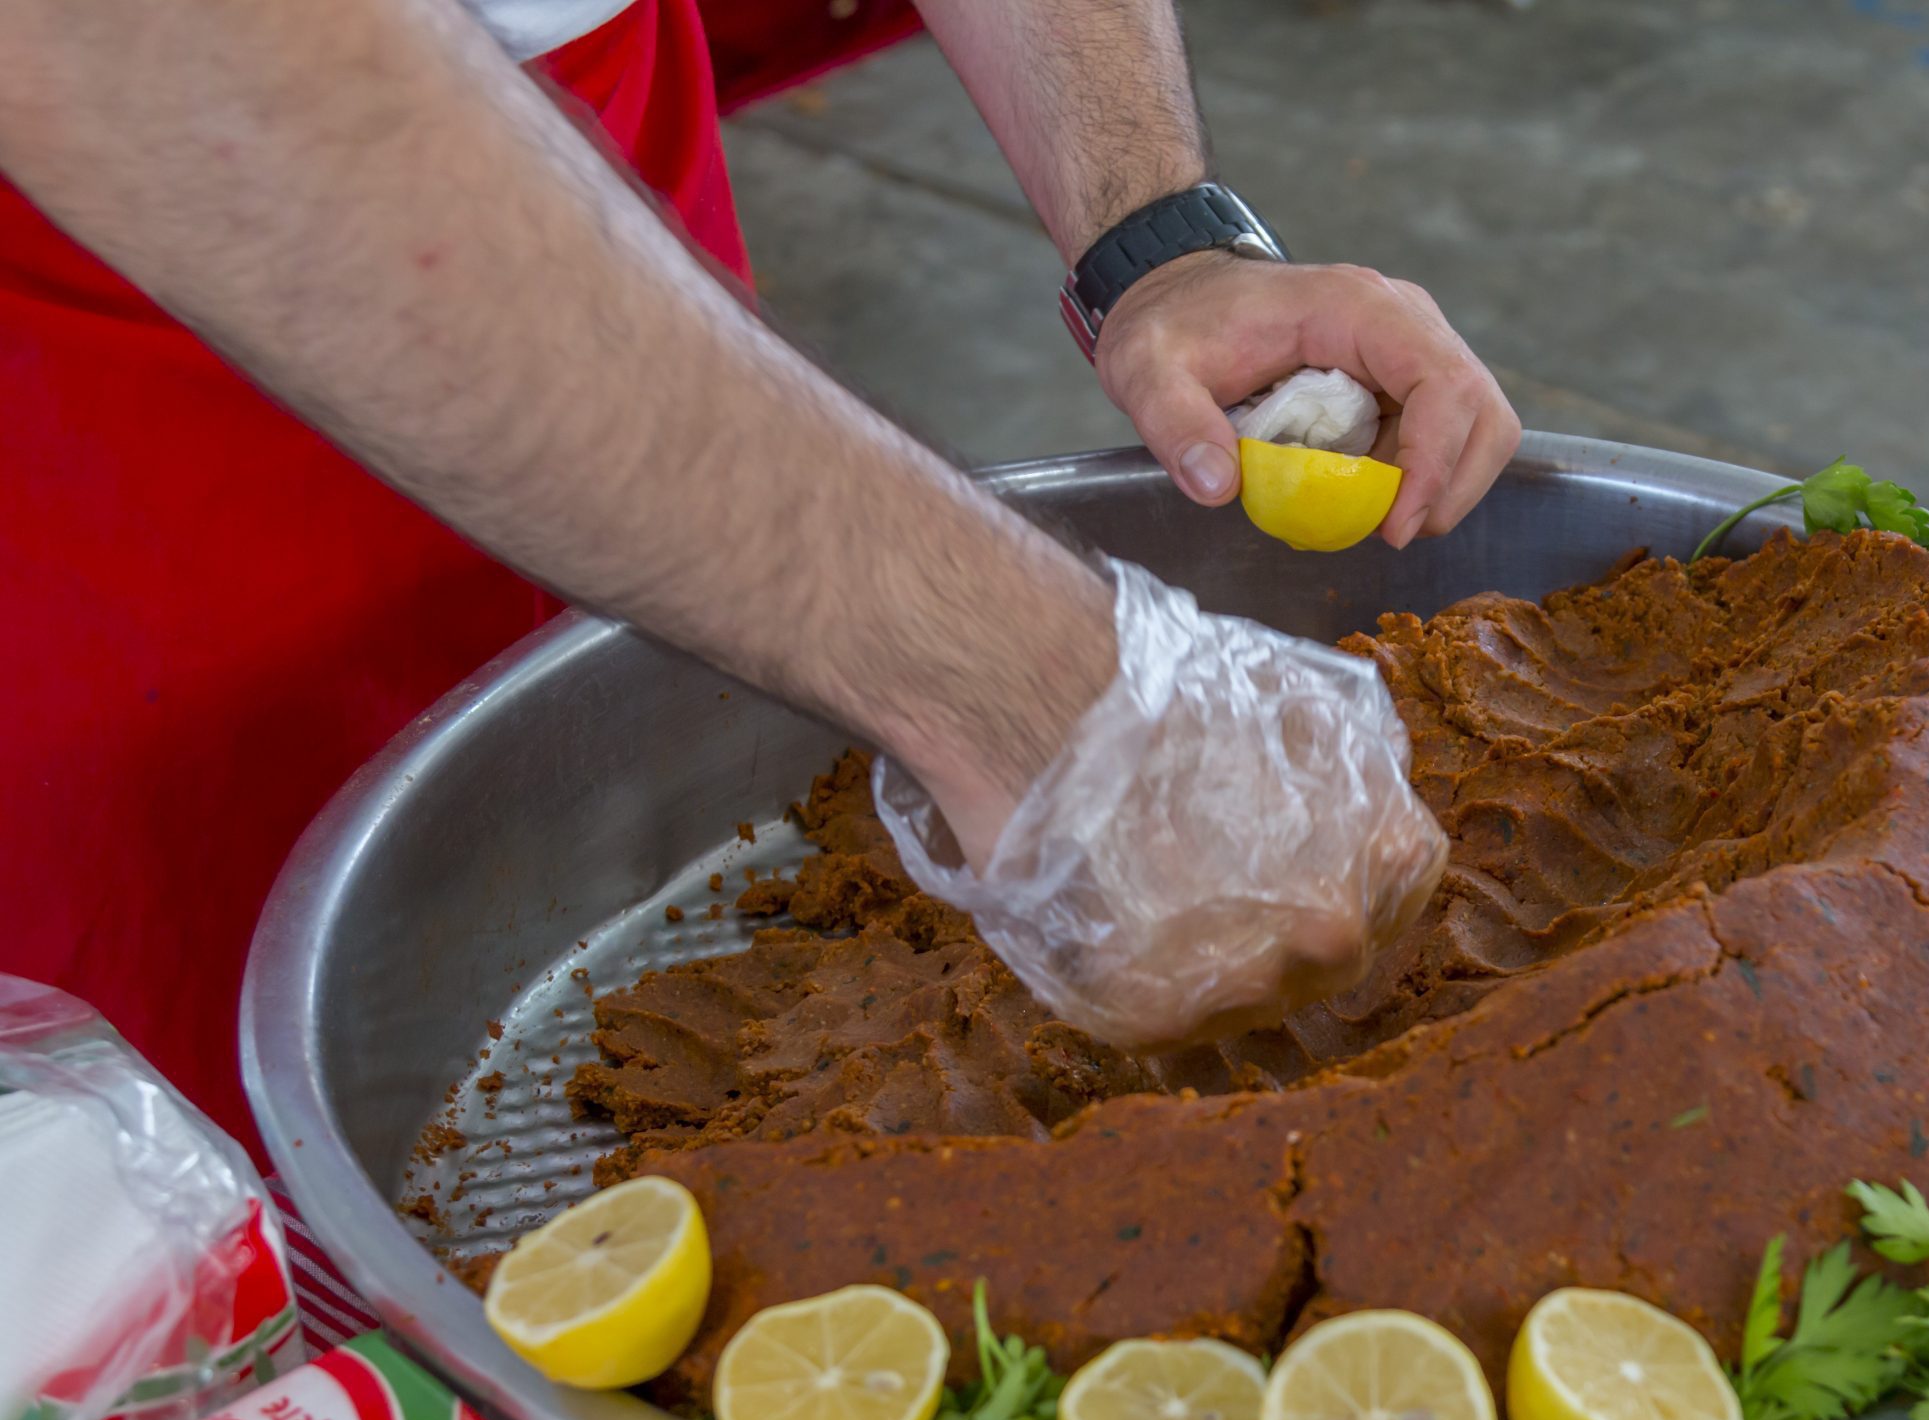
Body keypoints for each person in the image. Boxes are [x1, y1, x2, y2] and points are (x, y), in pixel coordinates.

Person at [0, 0, 1520, 1159]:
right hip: (110, 327)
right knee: (206, 1205)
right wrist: (1036, 693)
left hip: (591, 201)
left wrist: (1159, 234)